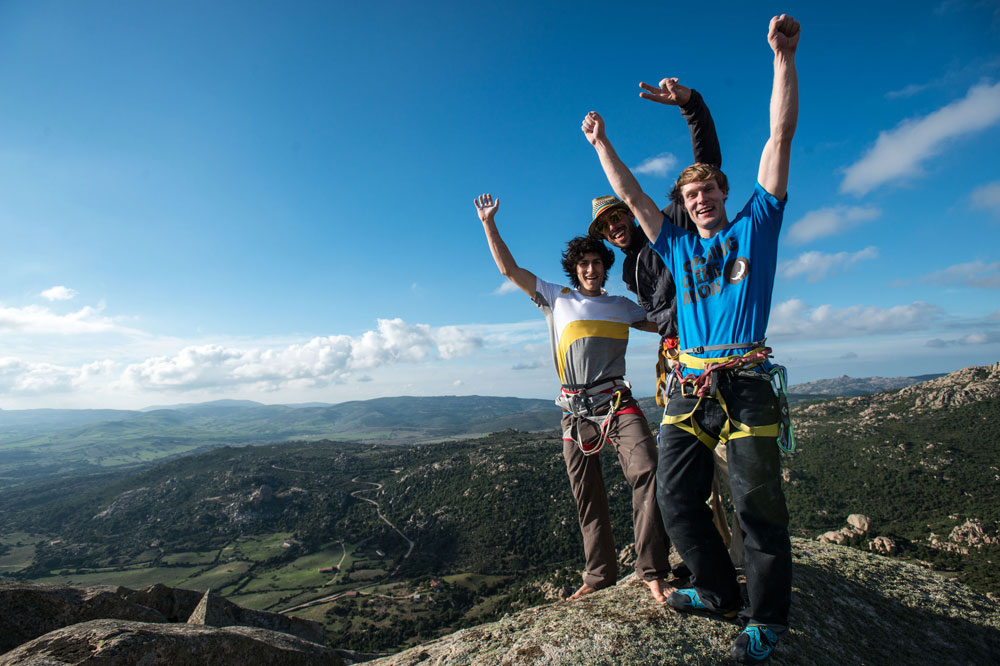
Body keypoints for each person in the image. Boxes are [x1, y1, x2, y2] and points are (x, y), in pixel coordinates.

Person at [581, 13, 800, 665]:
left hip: (747, 386)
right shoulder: (671, 246)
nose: (700, 198)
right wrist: (600, 142)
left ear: (724, 194)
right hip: (687, 387)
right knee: (676, 498)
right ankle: (714, 588)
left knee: (758, 511)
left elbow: (779, 137)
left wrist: (783, 59)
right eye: (691, 192)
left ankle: (767, 620)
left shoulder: (756, 225)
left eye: (708, 190)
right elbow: (631, 195)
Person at [474, 192, 672, 603]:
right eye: (583, 263)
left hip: (616, 404)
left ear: (605, 267)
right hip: (574, 411)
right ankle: (599, 576)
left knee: (648, 471)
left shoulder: (622, 306)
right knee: (588, 498)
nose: (590, 268)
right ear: (574, 268)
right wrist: (489, 223)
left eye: (597, 262)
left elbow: (667, 323)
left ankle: (652, 570)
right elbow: (509, 270)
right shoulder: (556, 298)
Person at [588, 78, 743, 567]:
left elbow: (707, 165)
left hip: (714, 345)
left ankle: (740, 554)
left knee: (727, 457)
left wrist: (692, 106)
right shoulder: (630, 267)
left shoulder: (669, 224)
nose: (616, 227)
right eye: (607, 227)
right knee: (690, 467)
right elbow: (654, 312)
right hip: (675, 357)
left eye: (618, 218)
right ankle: (714, 556)